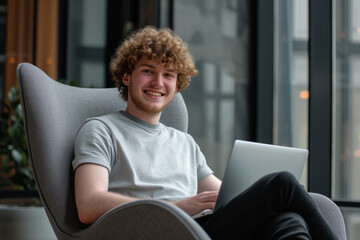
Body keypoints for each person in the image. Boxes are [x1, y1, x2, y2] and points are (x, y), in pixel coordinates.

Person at [72, 26, 338, 240]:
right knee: (282, 184)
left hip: (201, 229)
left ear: (177, 86)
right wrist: (177, 207)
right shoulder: (101, 130)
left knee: (287, 219)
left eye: (169, 75)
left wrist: (255, 196)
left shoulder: (183, 142)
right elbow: (88, 204)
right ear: (127, 77)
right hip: (156, 230)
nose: (158, 82)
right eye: (148, 71)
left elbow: (223, 196)